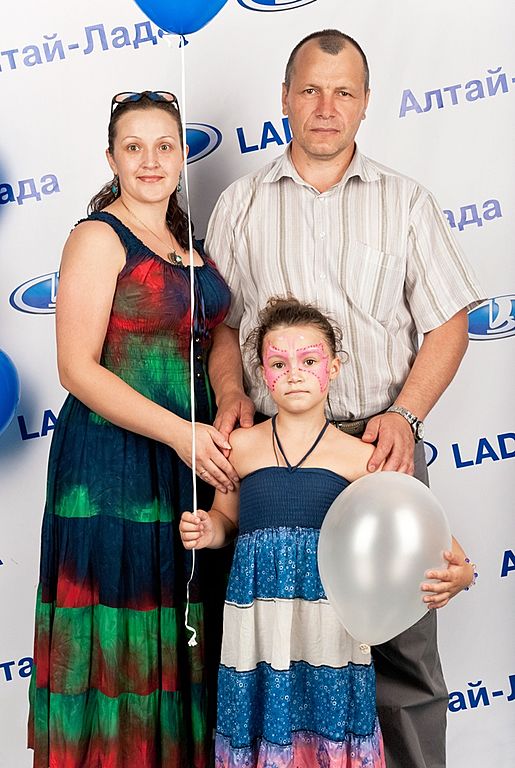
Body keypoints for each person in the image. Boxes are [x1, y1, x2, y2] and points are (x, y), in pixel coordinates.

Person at [205, 30, 483, 768]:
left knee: (401, 651)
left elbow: (448, 322)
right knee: (280, 646)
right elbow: (220, 324)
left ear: (365, 104)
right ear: (284, 99)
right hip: (275, 455)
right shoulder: (240, 204)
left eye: (343, 92)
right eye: (310, 90)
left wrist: (405, 415)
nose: (326, 107)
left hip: (376, 450)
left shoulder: (406, 202)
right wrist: (230, 391)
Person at [28, 90, 237, 768]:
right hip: (113, 467)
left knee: (179, 628)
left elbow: (220, 330)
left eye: (164, 146)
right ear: (111, 158)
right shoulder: (98, 237)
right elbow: (76, 368)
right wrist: (179, 433)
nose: (151, 160)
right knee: (120, 634)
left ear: (181, 156)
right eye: (134, 147)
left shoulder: (187, 243)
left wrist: (229, 396)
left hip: (185, 459)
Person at [180, 297, 475, 768]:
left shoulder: (361, 458)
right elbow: (226, 521)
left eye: (309, 361)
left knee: (326, 730)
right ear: (261, 372)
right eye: (279, 363)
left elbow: (439, 543)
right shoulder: (239, 446)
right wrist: (206, 529)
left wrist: (462, 574)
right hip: (257, 624)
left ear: (333, 368)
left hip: (329, 626)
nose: (294, 374)